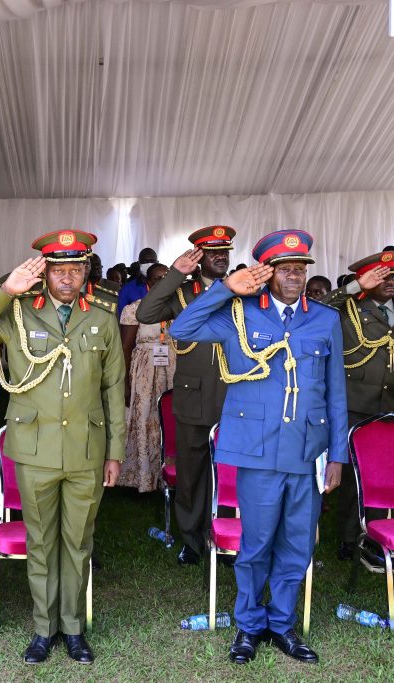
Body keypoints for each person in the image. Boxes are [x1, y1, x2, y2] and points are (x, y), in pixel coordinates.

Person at [170, 229, 346, 666]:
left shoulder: (324, 319)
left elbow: (336, 390)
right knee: (256, 544)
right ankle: (249, 625)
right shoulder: (241, 312)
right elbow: (181, 327)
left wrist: (338, 455)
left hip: (306, 450)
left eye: (300, 269)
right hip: (259, 449)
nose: (294, 277)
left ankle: (282, 624)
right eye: (285, 269)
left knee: (298, 543)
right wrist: (225, 288)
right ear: (267, 273)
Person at [0, 229, 125, 666]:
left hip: (87, 448)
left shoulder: (102, 319)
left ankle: (72, 628)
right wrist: (2, 290)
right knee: (41, 543)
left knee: (78, 542)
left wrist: (116, 452)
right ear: (44, 273)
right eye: (59, 270)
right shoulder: (16, 313)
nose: (67, 278)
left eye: (76, 269)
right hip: (33, 449)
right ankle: (43, 629)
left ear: (87, 272)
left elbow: (113, 390)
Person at [136, 227, 231, 566]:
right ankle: (192, 540)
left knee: (232, 472)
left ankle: (227, 535)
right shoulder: (183, 293)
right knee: (191, 474)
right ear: (198, 257)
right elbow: (145, 314)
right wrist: (176, 272)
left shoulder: (242, 288)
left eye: (225, 251)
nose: (221, 257)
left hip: (236, 395)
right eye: (212, 252)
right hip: (195, 394)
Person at [324, 249, 394, 565]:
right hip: (356, 406)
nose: (392, 282)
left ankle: (378, 537)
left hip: (393, 406)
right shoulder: (349, 310)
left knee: (385, 477)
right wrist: (353, 287)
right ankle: (350, 537)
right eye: (383, 276)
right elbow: (315, 306)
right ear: (365, 280)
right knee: (354, 478)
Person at [119, 263, 173, 492]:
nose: (163, 282)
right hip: (144, 373)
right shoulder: (134, 309)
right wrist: (125, 383)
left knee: (167, 421)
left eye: (167, 277)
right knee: (145, 419)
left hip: (170, 370)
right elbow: (125, 347)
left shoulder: (178, 308)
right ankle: (143, 477)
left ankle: (168, 475)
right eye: (158, 278)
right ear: (148, 283)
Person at [117, 247, 159, 312]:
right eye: (145, 262)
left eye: (152, 261)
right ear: (139, 263)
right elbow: (120, 314)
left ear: (157, 263)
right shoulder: (127, 289)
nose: (149, 264)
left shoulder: (164, 287)